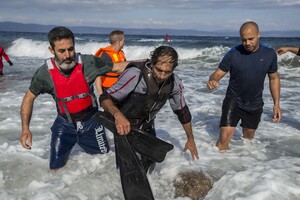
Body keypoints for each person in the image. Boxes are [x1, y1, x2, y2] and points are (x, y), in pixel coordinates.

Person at [20, 26, 130, 170]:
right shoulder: (44, 74)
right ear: (52, 51)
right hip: (64, 125)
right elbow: (28, 98)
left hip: (92, 123)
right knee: (55, 169)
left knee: (104, 164)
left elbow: (118, 67)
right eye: (61, 51)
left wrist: (148, 64)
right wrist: (25, 129)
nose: (67, 55)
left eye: (70, 49)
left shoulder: (88, 62)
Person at [100, 45, 199, 172]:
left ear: (173, 69)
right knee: (127, 167)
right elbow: (105, 98)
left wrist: (190, 139)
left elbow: (183, 112)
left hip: (146, 125)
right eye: (159, 70)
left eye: (167, 72)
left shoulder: (175, 82)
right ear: (152, 64)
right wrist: (118, 117)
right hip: (123, 125)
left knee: (150, 162)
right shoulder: (135, 75)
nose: (162, 75)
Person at [207, 21, 281, 151]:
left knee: (248, 142)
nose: (247, 43)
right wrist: (213, 80)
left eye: (250, 39)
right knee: (223, 140)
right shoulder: (233, 53)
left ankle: (243, 167)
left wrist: (276, 104)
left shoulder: (269, 54)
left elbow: (274, 78)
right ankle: (220, 167)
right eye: (244, 40)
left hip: (255, 104)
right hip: (233, 100)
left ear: (259, 35)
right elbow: (217, 73)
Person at [94, 30, 126, 95]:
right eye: (123, 40)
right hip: (107, 88)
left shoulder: (121, 53)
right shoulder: (105, 55)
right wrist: (100, 93)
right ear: (119, 42)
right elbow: (97, 75)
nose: (124, 42)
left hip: (119, 86)